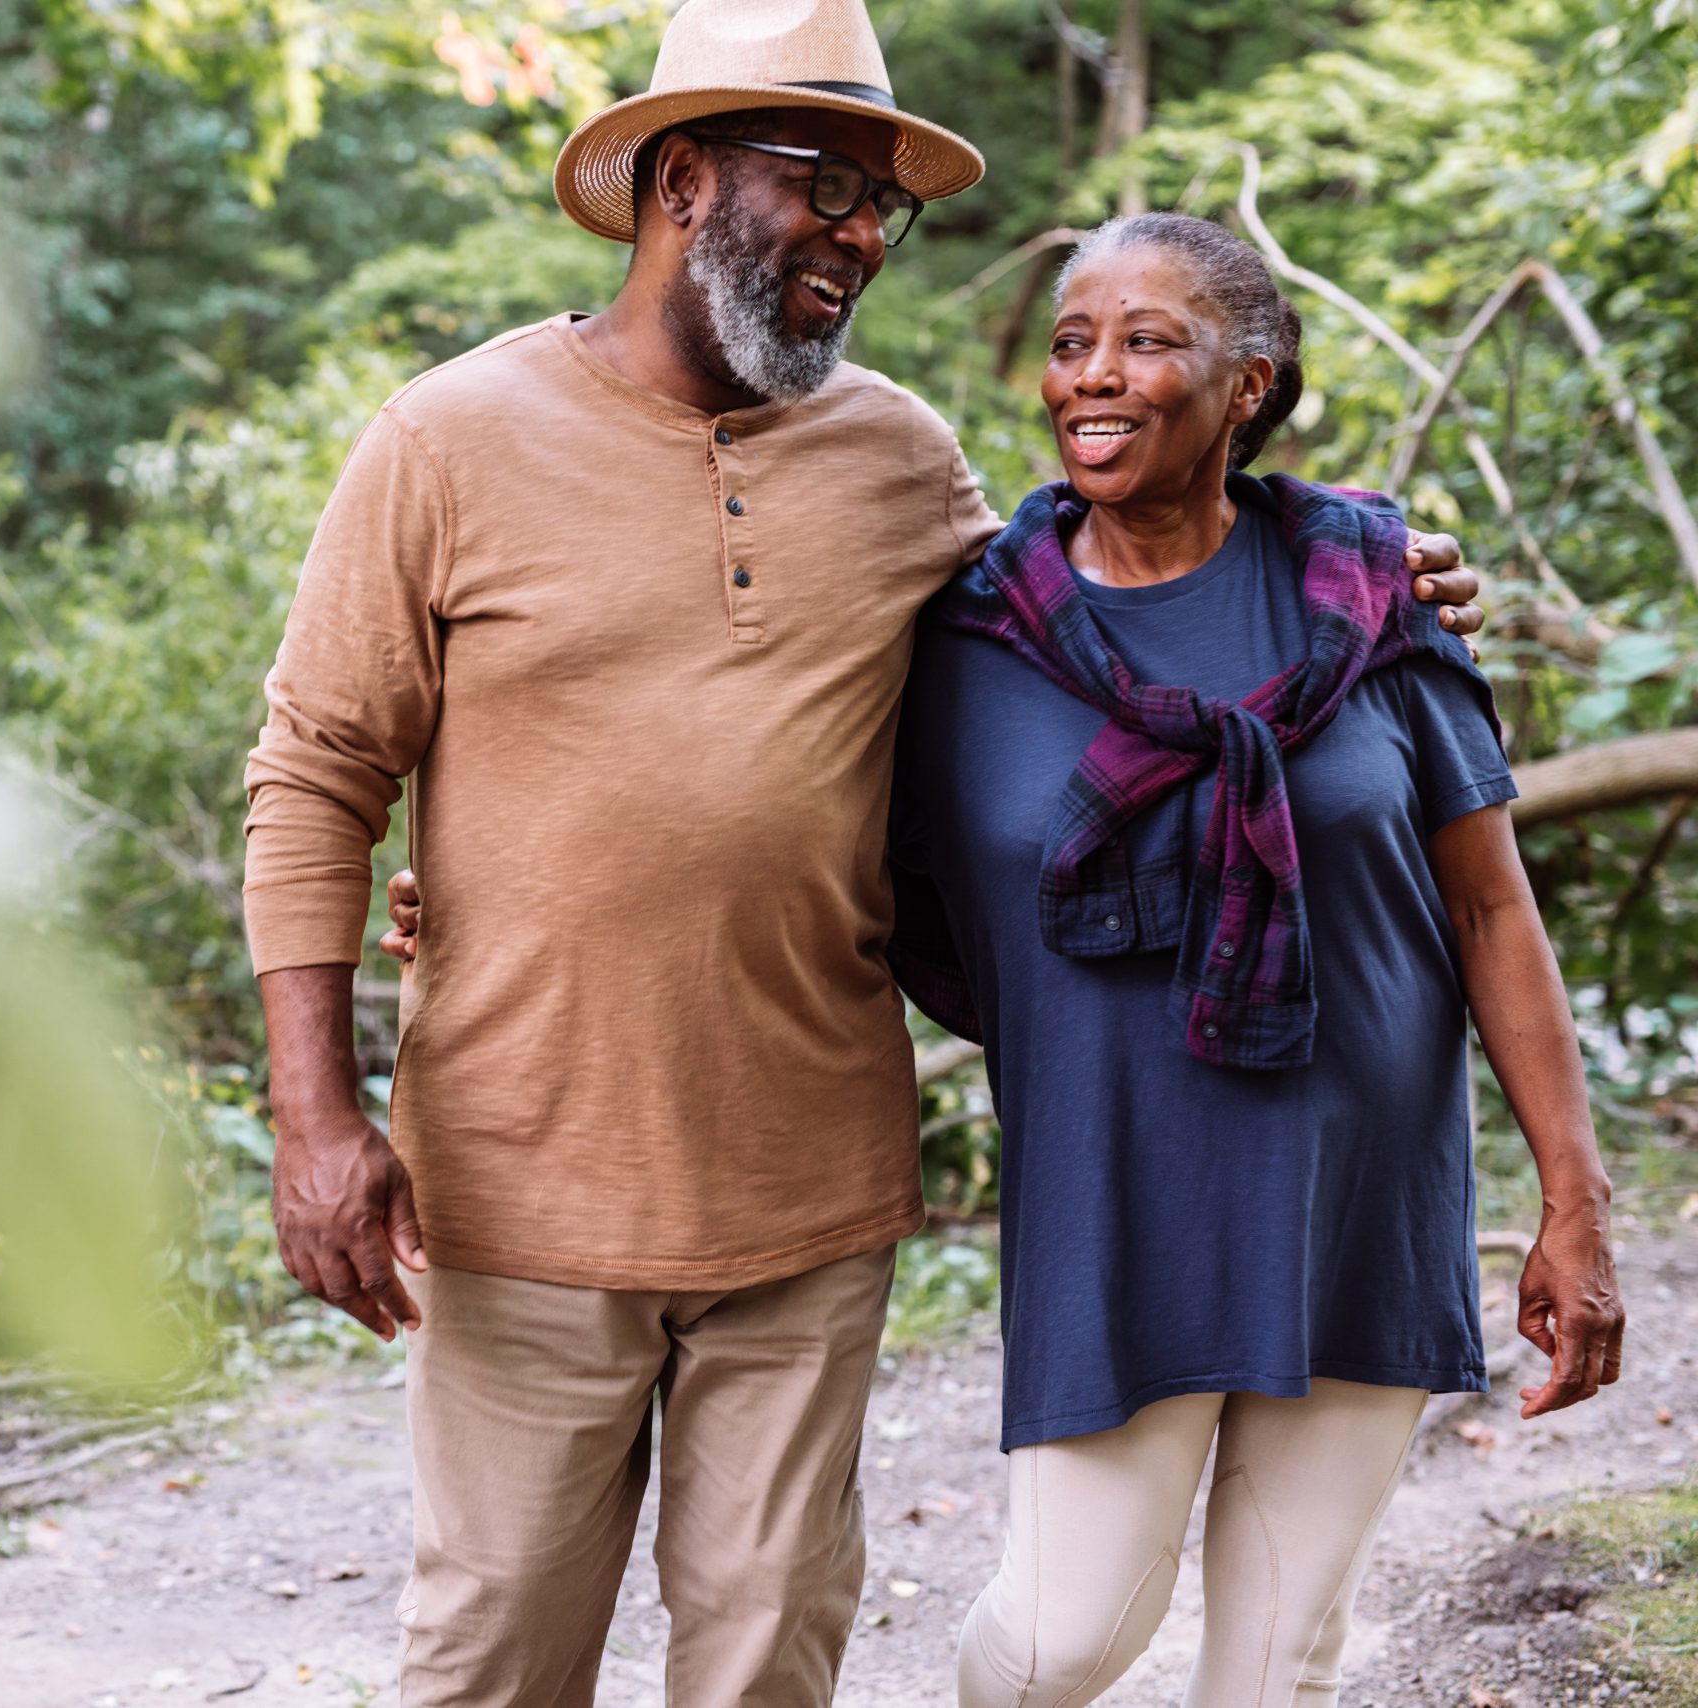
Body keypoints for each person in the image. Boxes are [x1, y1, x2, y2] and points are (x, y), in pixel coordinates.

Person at [241, 0, 1479, 1697]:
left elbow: (1113, 603)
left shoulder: (902, 460)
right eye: (823, 185)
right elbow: (315, 770)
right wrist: (318, 1115)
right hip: (524, 1171)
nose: (860, 238)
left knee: (770, 1653)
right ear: (681, 178)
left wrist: (1357, 565)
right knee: (494, 1649)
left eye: (882, 208)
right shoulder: (446, 441)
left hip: (808, 1183)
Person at [883, 215, 1623, 1704]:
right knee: (1056, 1643)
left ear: (1248, 386)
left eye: (1148, 340)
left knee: (1278, 1661)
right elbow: (806, 856)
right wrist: (490, 890)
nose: (1095, 374)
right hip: (1112, 1202)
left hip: (1356, 1188)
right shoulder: (969, 635)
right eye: (1075, 339)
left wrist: (1574, 1200)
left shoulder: (1371, 591)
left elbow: (1489, 909)